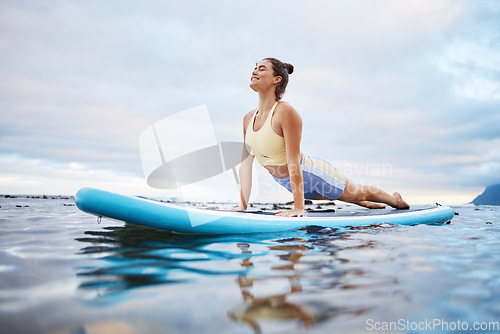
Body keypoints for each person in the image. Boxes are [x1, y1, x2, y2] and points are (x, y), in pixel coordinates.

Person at [235, 57, 409, 217]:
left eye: (261, 68)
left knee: (358, 191)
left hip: (309, 173)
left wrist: (298, 208)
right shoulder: (248, 118)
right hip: (286, 182)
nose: (254, 71)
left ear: (276, 79)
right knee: (338, 195)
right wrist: (242, 206)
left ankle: (395, 200)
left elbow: (293, 161)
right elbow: (245, 165)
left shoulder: (284, 112)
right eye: (255, 68)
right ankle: (358, 199)